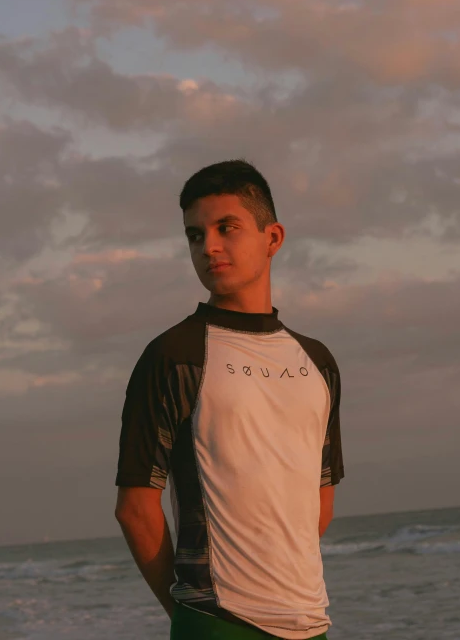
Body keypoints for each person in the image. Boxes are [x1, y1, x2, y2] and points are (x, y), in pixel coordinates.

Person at [114, 158, 344, 639]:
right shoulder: (174, 356)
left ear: (272, 238)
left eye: (227, 228)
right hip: (218, 625)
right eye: (195, 236)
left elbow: (318, 503)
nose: (209, 247)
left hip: (312, 622)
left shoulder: (317, 362)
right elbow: (136, 507)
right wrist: (187, 613)